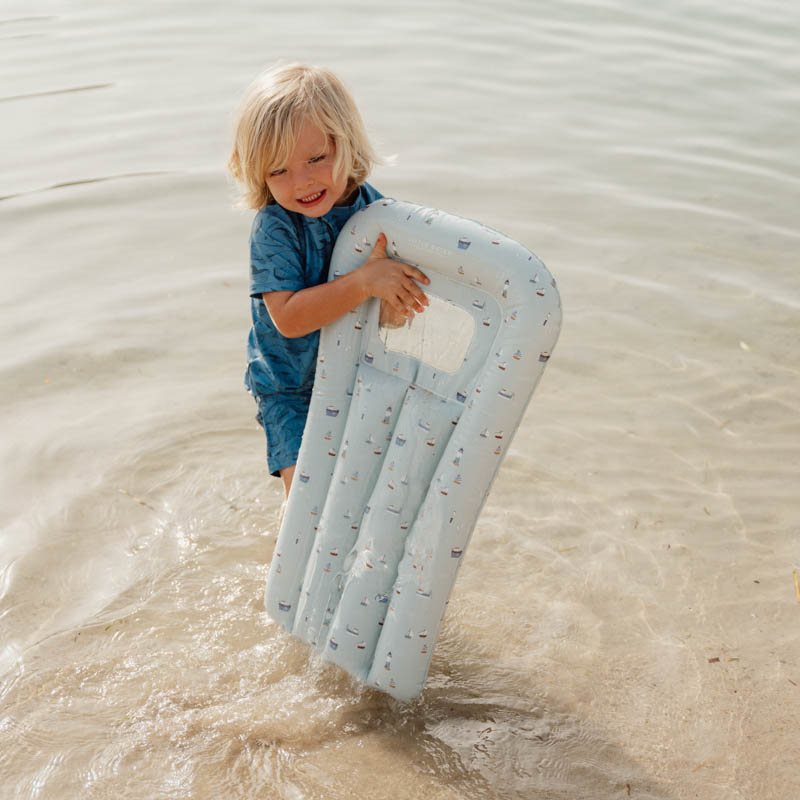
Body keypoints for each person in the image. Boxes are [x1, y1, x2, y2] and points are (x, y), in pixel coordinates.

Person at [228, 63, 429, 496]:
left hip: (353, 378)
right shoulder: (276, 227)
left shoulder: (375, 212)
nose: (301, 181)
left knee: (364, 494)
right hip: (289, 386)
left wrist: (392, 300)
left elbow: (386, 320)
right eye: (277, 171)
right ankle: (292, 561)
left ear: (347, 142)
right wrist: (363, 283)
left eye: (316, 158)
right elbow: (288, 319)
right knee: (305, 499)